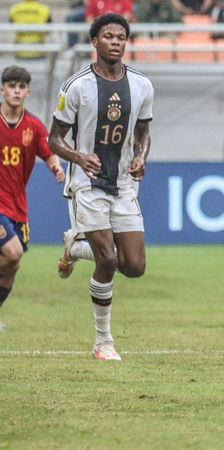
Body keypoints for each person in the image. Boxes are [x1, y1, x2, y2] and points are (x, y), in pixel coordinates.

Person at [51, 13, 155, 361]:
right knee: (108, 259)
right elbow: (55, 139)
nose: (115, 42)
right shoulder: (76, 85)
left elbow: (143, 133)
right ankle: (103, 342)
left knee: (135, 266)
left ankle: (75, 246)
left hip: (124, 183)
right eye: (108, 36)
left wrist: (141, 157)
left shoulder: (142, 85)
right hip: (88, 183)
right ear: (95, 41)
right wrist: (79, 158)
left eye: (121, 37)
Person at [0, 66, 65, 330]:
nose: (16, 91)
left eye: (21, 87)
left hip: (18, 206)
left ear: (27, 92)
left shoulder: (34, 126)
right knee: (12, 253)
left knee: (12, 266)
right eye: (11, 86)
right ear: (3, 89)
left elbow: (48, 152)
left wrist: (55, 166)